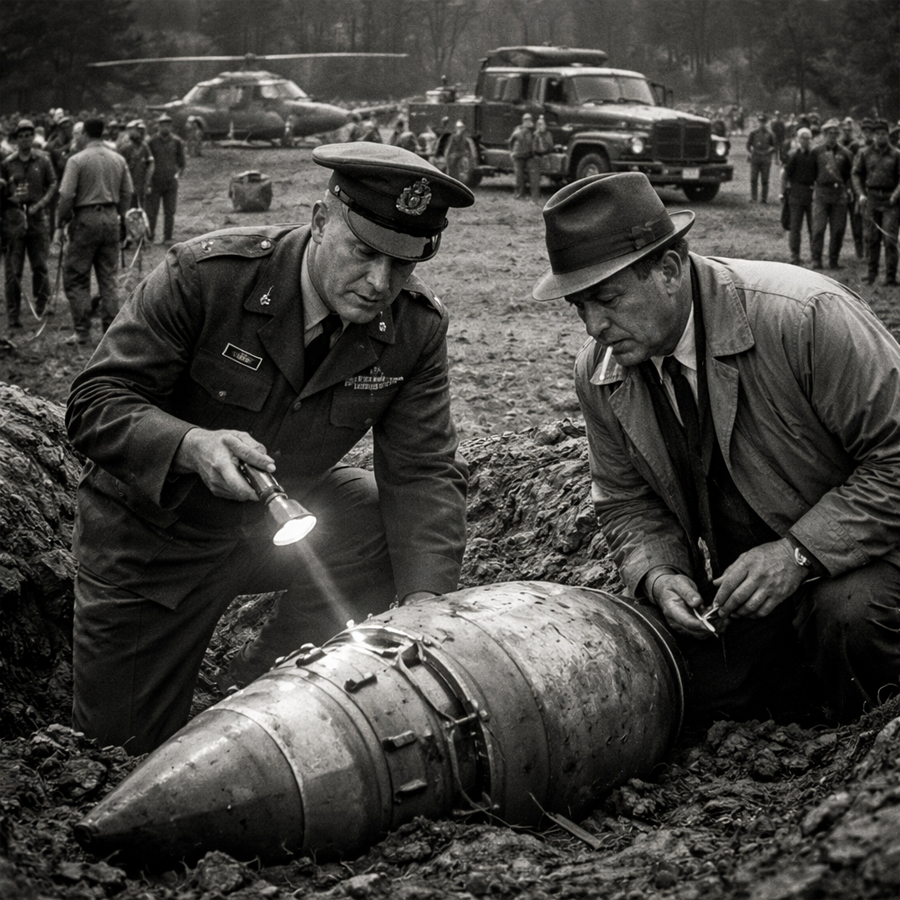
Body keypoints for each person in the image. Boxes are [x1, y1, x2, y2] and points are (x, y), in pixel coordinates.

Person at [65, 143, 475, 755]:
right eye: (363, 253)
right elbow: (95, 401)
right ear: (318, 221)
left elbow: (420, 471)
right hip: (151, 547)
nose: (380, 284)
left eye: (404, 265)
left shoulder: (413, 330)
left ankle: (271, 677)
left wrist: (423, 607)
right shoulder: (208, 278)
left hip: (273, 529)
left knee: (371, 512)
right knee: (121, 756)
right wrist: (191, 445)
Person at [531, 171, 900, 726]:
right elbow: (626, 500)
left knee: (849, 618)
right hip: (750, 581)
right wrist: (658, 573)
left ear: (671, 270)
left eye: (607, 299)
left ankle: (866, 750)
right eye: (578, 307)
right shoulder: (602, 372)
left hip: (870, 555)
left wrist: (798, 554)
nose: (594, 326)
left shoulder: (803, 317)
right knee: (693, 689)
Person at [57, 117, 133, 345]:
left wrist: (62, 222)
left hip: (85, 219)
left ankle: (82, 331)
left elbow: (67, 195)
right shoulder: (118, 158)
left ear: (86, 134)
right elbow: (128, 192)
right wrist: (119, 214)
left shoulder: (77, 160)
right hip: (111, 218)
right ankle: (110, 334)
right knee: (108, 278)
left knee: (77, 276)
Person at [1, 119, 57, 328]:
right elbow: (3, 191)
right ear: (16, 139)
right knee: (13, 270)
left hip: (36, 218)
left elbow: (52, 183)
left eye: (28, 135)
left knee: (40, 265)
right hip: (14, 220)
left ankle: (42, 304)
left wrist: (41, 203)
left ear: (33, 137)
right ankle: (13, 314)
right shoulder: (8, 163)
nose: (25, 139)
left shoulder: (43, 160)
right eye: (21, 136)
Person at [852, 119, 900, 286]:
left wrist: (895, 196)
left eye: (884, 134)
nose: (881, 137)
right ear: (872, 135)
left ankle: (891, 276)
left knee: (890, 239)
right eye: (878, 134)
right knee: (871, 238)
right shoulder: (864, 153)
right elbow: (856, 174)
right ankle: (871, 274)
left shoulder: (896, 154)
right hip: (871, 198)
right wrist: (860, 194)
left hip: (890, 200)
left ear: (888, 135)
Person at [810, 118, 854, 270]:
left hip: (839, 194)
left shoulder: (845, 153)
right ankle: (816, 260)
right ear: (824, 134)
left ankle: (833, 260)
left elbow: (850, 174)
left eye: (835, 133)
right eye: (829, 133)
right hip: (821, 192)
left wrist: (849, 191)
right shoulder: (816, 152)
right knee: (818, 229)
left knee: (838, 230)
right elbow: (811, 172)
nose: (832, 136)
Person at [146, 113, 186, 244]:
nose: (164, 128)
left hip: (170, 183)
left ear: (170, 126)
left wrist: (177, 175)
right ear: (158, 126)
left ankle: (167, 237)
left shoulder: (176, 142)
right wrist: (148, 181)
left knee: (170, 211)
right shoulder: (151, 142)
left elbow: (182, 163)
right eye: (162, 125)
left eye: (167, 125)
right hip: (155, 182)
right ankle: (150, 236)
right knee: (152, 212)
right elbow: (147, 162)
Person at [781, 127, 816, 265]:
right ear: (798, 139)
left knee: (814, 227)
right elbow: (785, 175)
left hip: (811, 193)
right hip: (796, 193)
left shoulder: (814, 155)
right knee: (795, 227)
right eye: (802, 138)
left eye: (807, 139)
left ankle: (815, 255)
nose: (805, 141)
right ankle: (795, 255)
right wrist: (782, 192)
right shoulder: (793, 155)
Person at [839, 117, 865, 260]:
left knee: (857, 223)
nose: (846, 132)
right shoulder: (838, 146)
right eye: (844, 130)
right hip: (841, 187)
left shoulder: (856, 147)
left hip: (854, 187)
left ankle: (860, 252)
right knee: (839, 224)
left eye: (849, 130)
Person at [119, 120, 155, 210]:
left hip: (141, 182)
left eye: (142, 130)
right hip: (129, 182)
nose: (141, 133)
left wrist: (148, 182)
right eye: (138, 130)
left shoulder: (144, 146)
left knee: (143, 209)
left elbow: (150, 163)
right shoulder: (125, 147)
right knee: (130, 209)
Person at [508, 113, 539, 201]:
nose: (528, 121)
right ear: (523, 121)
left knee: (532, 175)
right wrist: (511, 152)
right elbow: (511, 141)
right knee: (519, 175)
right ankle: (520, 194)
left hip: (528, 155)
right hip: (518, 155)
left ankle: (533, 195)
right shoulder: (518, 129)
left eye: (529, 120)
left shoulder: (533, 130)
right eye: (526, 120)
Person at [746, 114, 776, 203]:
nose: (761, 124)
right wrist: (751, 152)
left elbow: (774, 146)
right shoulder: (753, 133)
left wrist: (768, 151)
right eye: (760, 122)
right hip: (755, 157)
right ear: (758, 122)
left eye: (763, 122)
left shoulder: (770, 134)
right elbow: (748, 145)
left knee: (765, 180)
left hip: (766, 158)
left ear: (766, 123)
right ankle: (753, 197)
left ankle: (764, 198)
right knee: (753, 179)